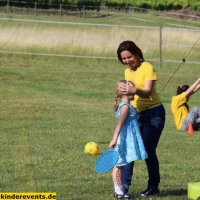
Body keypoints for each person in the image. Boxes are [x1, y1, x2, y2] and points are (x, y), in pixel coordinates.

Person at [116, 40, 166, 197]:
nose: (127, 61)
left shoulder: (147, 67)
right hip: (135, 114)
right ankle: (124, 185)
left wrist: (135, 89)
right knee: (130, 149)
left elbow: (148, 92)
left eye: (129, 57)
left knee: (148, 151)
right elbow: (129, 95)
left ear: (137, 53)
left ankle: (153, 186)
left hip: (153, 115)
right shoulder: (127, 72)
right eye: (123, 59)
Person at [109, 80, 148, 199]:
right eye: (131, 87)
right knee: (119, 165)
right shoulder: (125, 107)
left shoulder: (128, 106)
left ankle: (120, 191)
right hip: (123, 139)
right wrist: (114, 139)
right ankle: (119, 192)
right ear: (124, 91)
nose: (134, 90)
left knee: (122, 164)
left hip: (127, 139)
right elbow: (119, 125)